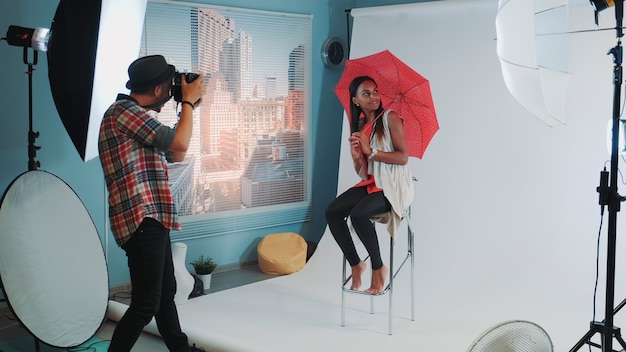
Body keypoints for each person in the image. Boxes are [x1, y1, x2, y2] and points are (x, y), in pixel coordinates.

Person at [98, 55, 205, 352]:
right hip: (141, 217)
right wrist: (187, 103)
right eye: (169, 87)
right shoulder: (124, 112)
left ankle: (180, 349)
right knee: (146, 303)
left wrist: (188, 107)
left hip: (152, 217)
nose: (172, 91)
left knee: (164, 294)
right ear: (158, 90)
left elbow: (177, 153)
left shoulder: (137, 118)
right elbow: (181, 144)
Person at [325, 75, 414, 294]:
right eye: (366, 93)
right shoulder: (361, 127)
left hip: (394, 185)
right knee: (332, 212)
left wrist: (371, 151)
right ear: (355, 100)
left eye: (375, 91)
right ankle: (356, 264)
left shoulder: (390, 118)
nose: (373, 96)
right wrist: (358, 158)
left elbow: (403, 157)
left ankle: (378, 267)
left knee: (358, 215)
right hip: (373, 183)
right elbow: (365, 175)